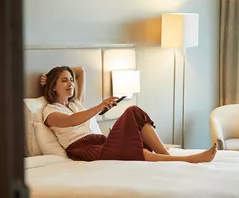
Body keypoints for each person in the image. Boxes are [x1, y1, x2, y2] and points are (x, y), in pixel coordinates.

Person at [40, 66, 217, 163]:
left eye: (71, 80)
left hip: (100, 140)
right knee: (136, 151)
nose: (71, 83)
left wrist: (53, 76)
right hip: (84, 149)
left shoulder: (75, 103)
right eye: (64, 80)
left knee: (134, 111)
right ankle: (187, 160)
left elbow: (80, 71)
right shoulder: (50, 111)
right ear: (53, 86)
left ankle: (167, 156)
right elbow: (71, 121)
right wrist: (100, 106)